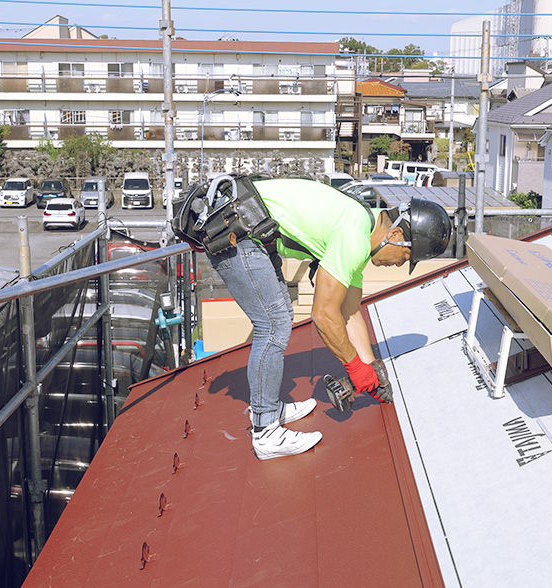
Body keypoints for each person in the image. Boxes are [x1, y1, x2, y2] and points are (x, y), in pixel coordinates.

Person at [179, 177, 452, 460]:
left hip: (246, 224)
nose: (399, 264)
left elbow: (349, 312)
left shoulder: (362, 226)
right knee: (272, 325)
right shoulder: (354, 238)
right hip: (235, 229)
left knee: (280, 317)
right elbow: (324, 315)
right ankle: (265, 431)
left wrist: (370, 370)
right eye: (405, 256)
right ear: (394, 235)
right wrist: (354, 367)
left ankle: (268, 406)